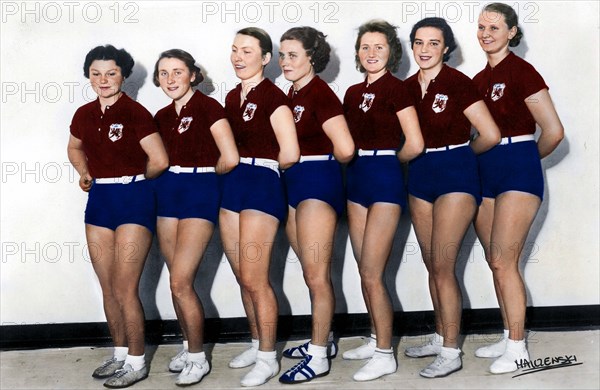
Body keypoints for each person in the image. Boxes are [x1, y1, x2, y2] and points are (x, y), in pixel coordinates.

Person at [402, 17, 501, 378]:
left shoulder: (459, 83)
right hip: (421, 176)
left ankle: (450, 351)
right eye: (418, 42)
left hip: (455, 176)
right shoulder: (406, 87)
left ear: (446, 48)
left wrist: (460, 157)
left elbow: (489, 133)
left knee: (443, 265)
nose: (425, 49)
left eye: (433, 43)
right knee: (432, 264)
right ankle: (441, 333)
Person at [67, 44, 169, 388]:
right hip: (100, 202)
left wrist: (134, 181)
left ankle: (138, 362)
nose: (103, 80)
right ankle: (120, 353)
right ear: (89, 77)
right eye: (96, 73)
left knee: (127, 288)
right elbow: (74, 147)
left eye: (110, 73)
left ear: (123, 75)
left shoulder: (137, 113)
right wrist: (84, 172)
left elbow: (159, 160)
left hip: (132, 203)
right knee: (108, 287)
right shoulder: (83, 113)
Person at [472, 3, 564, 374]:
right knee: (496, 262)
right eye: (481, 26)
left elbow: (554, 131)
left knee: (504, 260)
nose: (486, 33)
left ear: (511, 32)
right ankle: (509, 334)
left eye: (494, 27)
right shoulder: (477, 81)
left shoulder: (523, 72)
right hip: (485, 174)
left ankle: (518, 347)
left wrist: (524, 160)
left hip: (516, 175)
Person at [342, 19, 424, 381]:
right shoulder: (351, 92)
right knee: (364, 270)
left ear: (392, 51)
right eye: (365, 47)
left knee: (374, 273)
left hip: (385, 181)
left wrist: (389, 162)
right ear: (358, 53)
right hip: (356, 181)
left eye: (379, 46)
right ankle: (376, 335)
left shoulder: (398, 89)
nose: (371, 53)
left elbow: (415, 142)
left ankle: (384, 353)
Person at [152, 49, 239, 386]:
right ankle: (189, 346)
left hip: (198, 195)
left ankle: (198, 358)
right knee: (177, 280)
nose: (171, 79)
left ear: (192, 74)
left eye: (177, 72)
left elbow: (229, 157)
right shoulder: (160, 115)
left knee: (180, 281)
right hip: (168, 194)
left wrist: (204, 177)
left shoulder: (209, 107)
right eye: (163, 73)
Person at [220, 27, 300, 387]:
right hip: (232, 186)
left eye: (248, 51)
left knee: (256, 277)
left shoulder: (274, 97)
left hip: (261, 185)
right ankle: (256, 343)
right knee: (241, 275)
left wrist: (261, 166)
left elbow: (291, 153)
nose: (238, 57)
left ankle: (269, 358)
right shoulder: (231, 97)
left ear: (266, 58)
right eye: (235, 50)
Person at [276, 27, 355, 384]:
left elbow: (346, 149)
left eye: (293, 55)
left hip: (317, 184)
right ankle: (326, 339)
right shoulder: (289, 94)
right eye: (282, 55)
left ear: (312, 57)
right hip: (293, 184)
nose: (285, 61)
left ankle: (319, 356)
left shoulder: (321, 94)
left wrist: (319, 165)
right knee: (311, 273)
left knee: (316, 275)